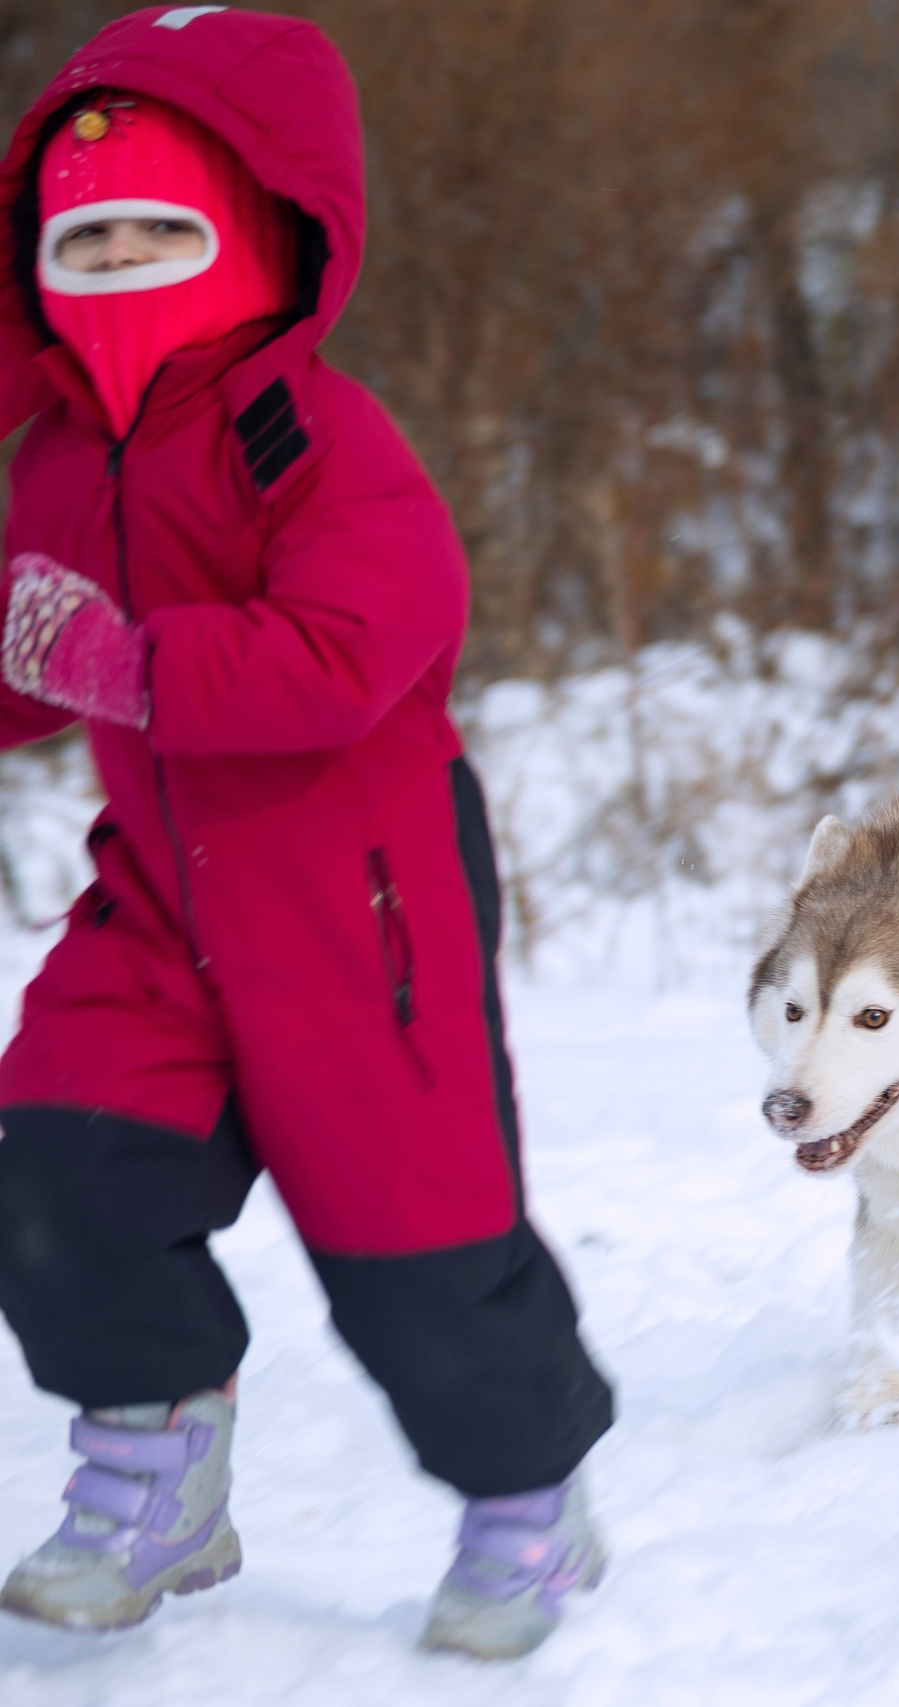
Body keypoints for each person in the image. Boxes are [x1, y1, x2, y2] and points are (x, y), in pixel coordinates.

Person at [0, 7, 612, 1659]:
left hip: (362, 908)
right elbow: (26, 658)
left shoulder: (309, 432)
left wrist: (129, 660)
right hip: (157, 908)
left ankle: (528, 1506)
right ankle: (151, 1464)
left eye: (160, 231)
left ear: (259, 239)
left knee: (420, 1255)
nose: (120, 263)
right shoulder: (55, 456)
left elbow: (364, 644)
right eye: (86, 237)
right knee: (56, 1165)